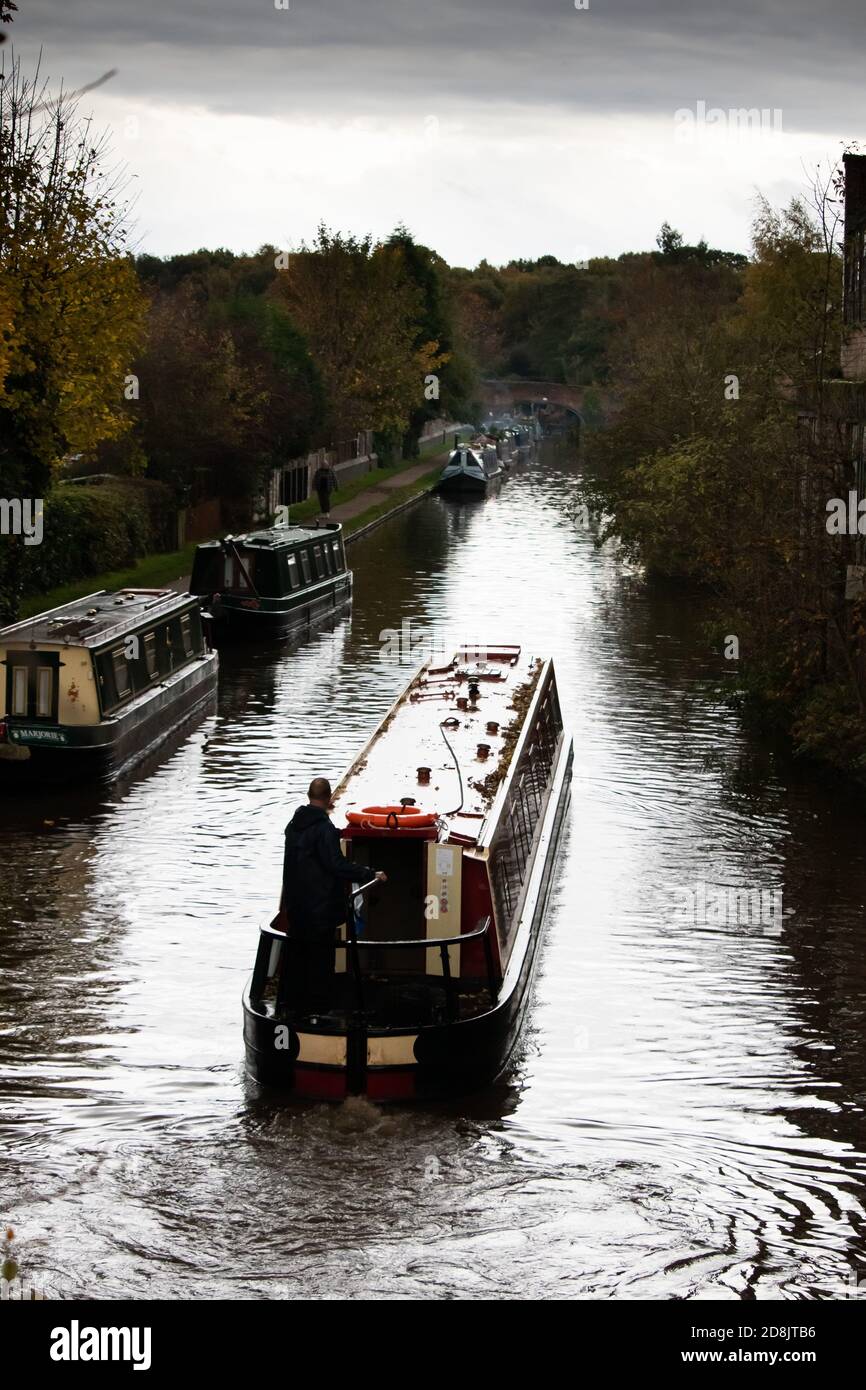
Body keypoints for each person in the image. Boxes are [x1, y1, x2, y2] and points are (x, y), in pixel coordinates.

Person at [281, 777, 386, 1016]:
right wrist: (370, 873)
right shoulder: (324, 829)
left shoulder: (293, 826)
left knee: (299, 959)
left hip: (297, 909)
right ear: (328, 799)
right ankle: (319, 1010)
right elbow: (336, 865)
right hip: (320, 912)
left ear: (309, 796)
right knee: (321, 962)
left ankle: (292, 1007)